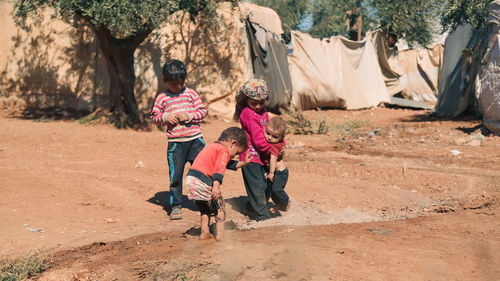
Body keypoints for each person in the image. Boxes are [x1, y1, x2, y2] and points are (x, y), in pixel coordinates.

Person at [150, 59, 207, 220]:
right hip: (176, 144)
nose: (178, 86)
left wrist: (189, 116)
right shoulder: (162, 98)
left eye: (181, 82)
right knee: (175, 175)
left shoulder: (191, 93)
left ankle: (204, 201)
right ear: (165, 81)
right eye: (174, 84)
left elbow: (202, 111)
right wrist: (166, 117)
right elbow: (155, 117)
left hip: (196, 141)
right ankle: (176, 205)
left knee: (202, 172)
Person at [187, 127, 252, 241]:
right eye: (236, 153)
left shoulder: (212, 146)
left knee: (205, 208)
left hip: (191, 180)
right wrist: (216, 186)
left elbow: (227, 163)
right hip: (203, 180)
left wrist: (243, 163)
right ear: (233, 143)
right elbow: (219, 169)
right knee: (220, 207)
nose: (233, 156)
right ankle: (221, 236)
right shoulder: (224, 150)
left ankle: (204, 232)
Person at [233, 78, 274, 221]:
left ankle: (251, 208)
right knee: (257, 186)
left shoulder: (263, 112)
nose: (257, 106)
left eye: (261, 103)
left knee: (266, 184)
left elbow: (269, 130)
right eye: (253, 103)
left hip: (262, 155)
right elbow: (258, 138)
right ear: (245, 100)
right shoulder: (247, 114)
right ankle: (263, 216)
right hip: (251, 157)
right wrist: (271, 150)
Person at [263, 117, 290, 213]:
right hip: (277, 172)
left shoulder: (274, 145)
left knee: (276, 189)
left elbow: (273, 159)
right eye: (268, 133)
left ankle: (285, 201)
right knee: (272, 191)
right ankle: (278, 205)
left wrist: (271, 172)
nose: (270, 138)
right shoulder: (277, 141)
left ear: (281, 137)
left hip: (280, 173)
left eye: (275, 137)